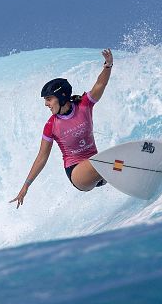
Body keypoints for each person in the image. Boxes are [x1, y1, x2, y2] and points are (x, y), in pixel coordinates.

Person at [10, 49, 113, 209]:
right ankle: (116, 169)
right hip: (77, 174)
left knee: (117, 164)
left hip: (97, 169)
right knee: (107, 162)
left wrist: (108, 65)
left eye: (49, 99)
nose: (46, 104)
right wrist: (26, 186)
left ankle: (138, 172)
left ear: (62, 96)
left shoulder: (84, 105)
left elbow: (100, 84)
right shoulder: (51, 126)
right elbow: (41, 158)